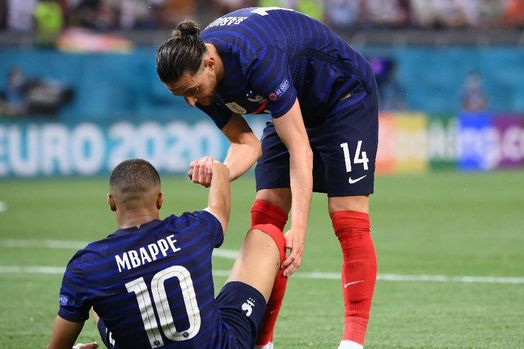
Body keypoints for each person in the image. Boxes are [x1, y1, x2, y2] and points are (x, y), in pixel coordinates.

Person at [156, 7, 378, 349]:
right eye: (180, 95)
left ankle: (352, 343)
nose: (191, 101)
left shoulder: (256, 57)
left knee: (348, 217)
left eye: (191, 90)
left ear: (211, 64)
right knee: (265, 218)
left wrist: (300, 229)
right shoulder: (202, 82)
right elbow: (247, 144)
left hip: (343, 99)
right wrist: (220, 171)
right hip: (291, 104)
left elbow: (300, 149)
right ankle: (263, 342)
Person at [47, 157, 286, 349]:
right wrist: (219, 169)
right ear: (160, 199)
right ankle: (263, 344)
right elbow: (219, 209)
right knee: (265, 236)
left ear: (111, 202)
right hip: (218, 343)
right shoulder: (191, 230)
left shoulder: (87, 265)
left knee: (96, 301)